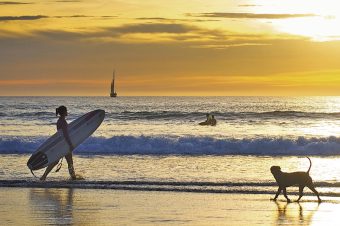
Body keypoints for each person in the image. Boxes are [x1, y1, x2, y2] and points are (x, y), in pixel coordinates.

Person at [40, 106, 76, 181]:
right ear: (63, 112)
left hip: (61, 143)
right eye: (66, 110)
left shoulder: (60, 120)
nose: (67, 112)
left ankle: (44, 176)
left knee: (57, 161)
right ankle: (73, 177)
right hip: (64, 144)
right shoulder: (62, 121)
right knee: (69, 161)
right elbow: (65, 134)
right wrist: (70, 144)